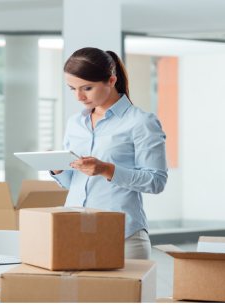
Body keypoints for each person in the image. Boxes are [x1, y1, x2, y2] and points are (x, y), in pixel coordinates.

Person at [50, 47, 168, 259]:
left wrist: (107, 169)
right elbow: (73, 183)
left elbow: (156, 181)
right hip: (74, 232)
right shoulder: (75, 123)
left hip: (122, 237)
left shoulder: (141, 122)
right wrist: (57, 168)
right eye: (72, 88)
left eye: (87, 88)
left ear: (111, 81)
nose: (79, 96)